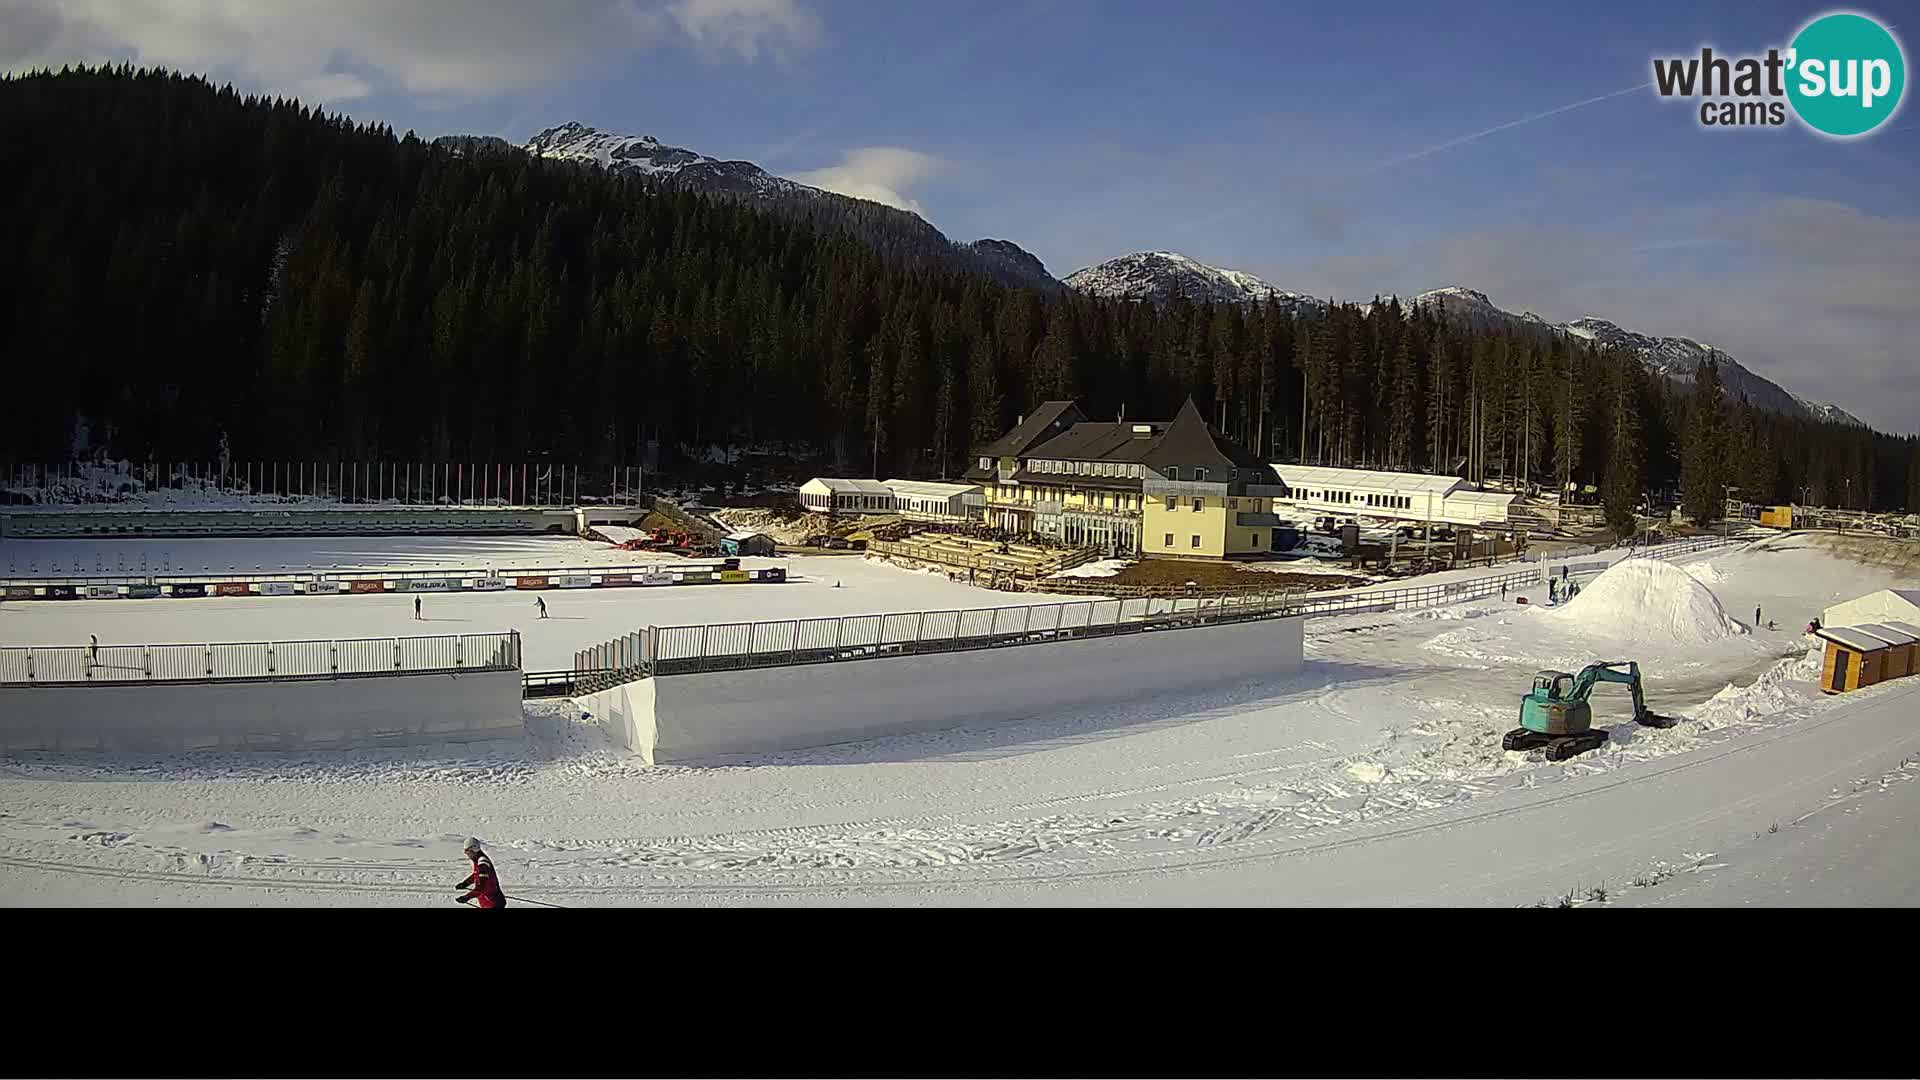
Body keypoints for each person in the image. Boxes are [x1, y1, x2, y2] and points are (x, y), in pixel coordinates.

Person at [454, 838, 506, 909]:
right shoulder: (478, 861)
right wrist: (465, 883)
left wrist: (467, 897)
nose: (467, 854)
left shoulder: (483, 863)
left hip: (493, 903)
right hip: (489, 903)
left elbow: (482, 887)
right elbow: (476, 875)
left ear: (474, 849)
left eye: (467, 851)